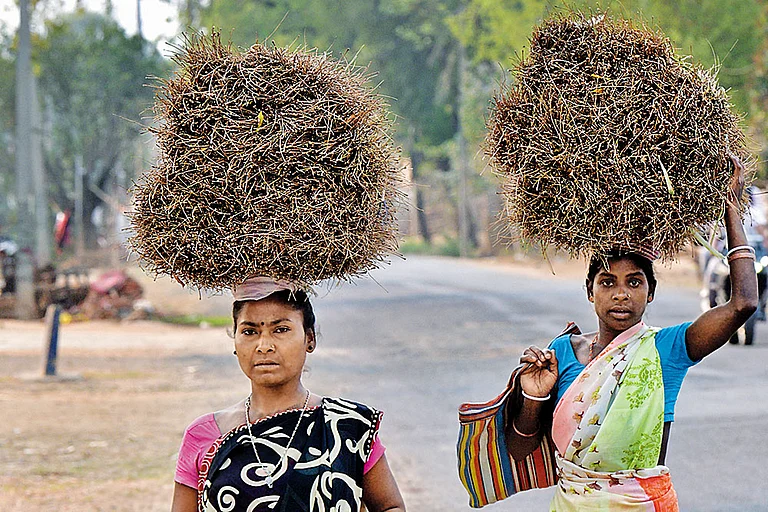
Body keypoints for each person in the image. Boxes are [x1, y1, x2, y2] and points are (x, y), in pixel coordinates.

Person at [506, 153, 757, 510]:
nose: (621, 293)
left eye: (634, 282)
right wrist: (534, 397)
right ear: (590, 291)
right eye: (608, 282)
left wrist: (731, 207)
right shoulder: (561, 352)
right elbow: (519, 450)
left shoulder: (667, 348)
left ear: (650, 293)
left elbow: (743, 304)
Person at [170, 277, 406, 512]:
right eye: (250, 331)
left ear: (309, 339)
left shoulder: (348, 427)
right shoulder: (203, 434)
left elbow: (390, 507)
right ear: (235, 342)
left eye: (280, 329)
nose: (264, 345)